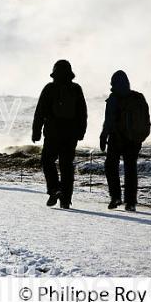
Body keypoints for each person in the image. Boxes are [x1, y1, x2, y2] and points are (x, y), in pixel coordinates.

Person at [32, 60, 87, 209]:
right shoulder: (76, 89)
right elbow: (82, 113)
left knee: (47, 161)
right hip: (71, 135)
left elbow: (40, 112)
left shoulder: (50, 88)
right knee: (67, 166)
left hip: (52, 133)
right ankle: (65, 200)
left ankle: (54, 189)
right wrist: (81, 131)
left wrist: (36, 132)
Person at [100, 70, 151, 212]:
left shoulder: (113, 98)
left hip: (116, 138)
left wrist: (103, 136)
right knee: (130, 170)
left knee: (111, 167)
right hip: (134, 140)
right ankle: (131, 203)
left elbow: (108, 121)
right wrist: (140, 137)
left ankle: (115, 197)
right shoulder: (138, 97)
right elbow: (146, 119)